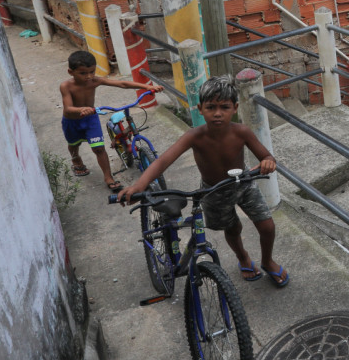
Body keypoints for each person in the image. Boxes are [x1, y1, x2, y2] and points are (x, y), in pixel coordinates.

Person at [117, 75, 287, 287]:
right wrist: (139, 185)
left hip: (243, 184)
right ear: (200, 108)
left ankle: (267, 261)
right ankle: (242, 257)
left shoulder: (241, 132)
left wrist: (268, 162)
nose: (217, 113)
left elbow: (267, 157)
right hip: (213, 191)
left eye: (224, 107)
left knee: (267, 226)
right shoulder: (194, 136)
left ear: (234, 108)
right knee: (232, 229)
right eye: (211, 107)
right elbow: (163, 161)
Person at [61, 50, 162, 192]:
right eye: (83, 73)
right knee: (73, 144)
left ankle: (108, 177)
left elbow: (122, 84)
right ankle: (76, 159)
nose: (89, 76)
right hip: (72, 121)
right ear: (70, 72)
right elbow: (67, 108)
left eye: (92, 71)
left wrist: (147, 87)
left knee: (99, 148)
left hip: (90, 119)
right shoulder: (66, 86)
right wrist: (80, 109)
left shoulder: (95, 81)